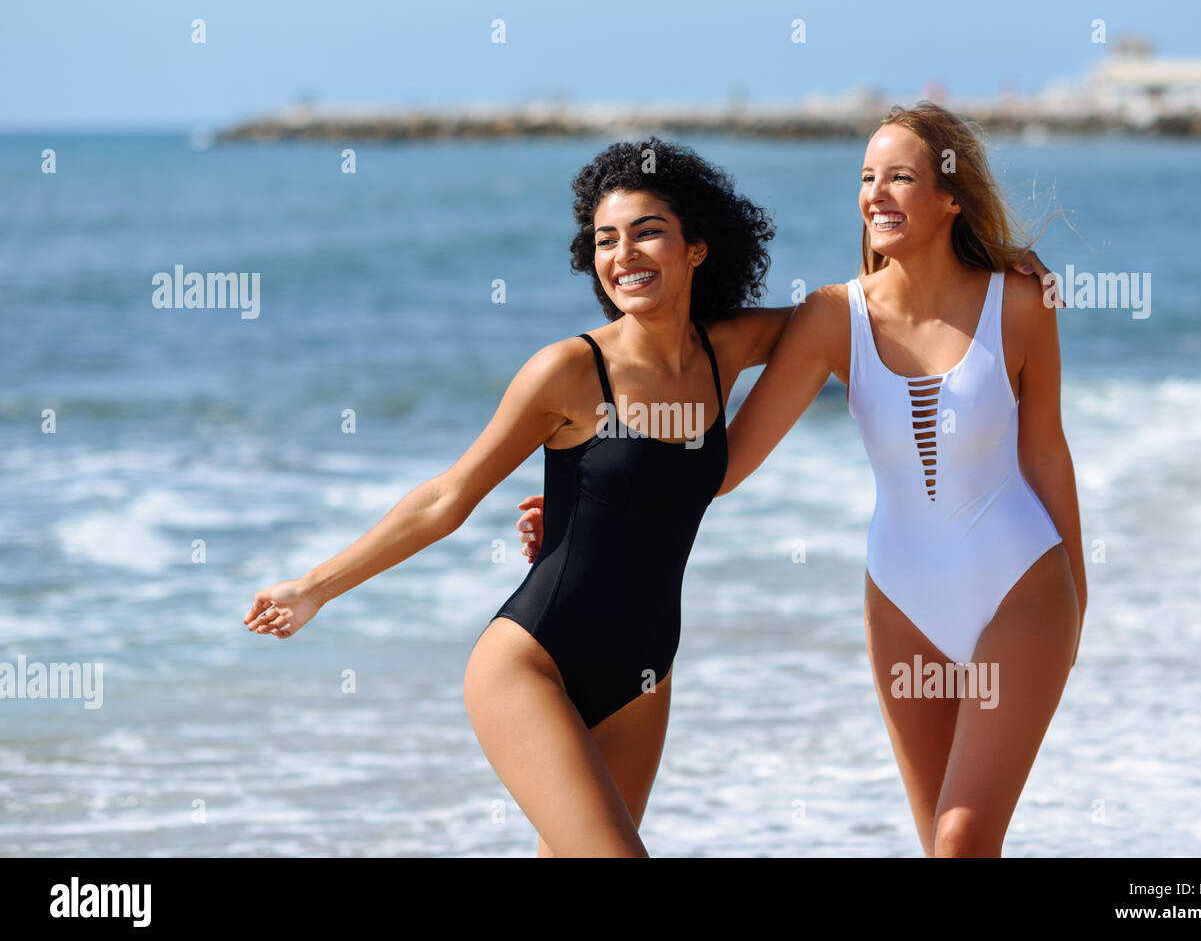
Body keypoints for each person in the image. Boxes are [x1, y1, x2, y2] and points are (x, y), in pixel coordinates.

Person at [516, 103, 1083, 856]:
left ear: (951, 196)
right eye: (866, 177)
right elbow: (720, 465)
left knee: (964, 839)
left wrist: (1078, 592)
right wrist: (586, 506)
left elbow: (1046, 451)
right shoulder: (831, 317)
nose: (875, 193)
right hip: (902, 598)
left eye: (900, 177)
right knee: (936, 840)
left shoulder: (1018, 303)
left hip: (1023, 582)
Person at [242, 136, 793, 856]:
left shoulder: (728, 349)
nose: (623, 253)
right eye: (605, 239)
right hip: (532, 664)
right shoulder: (570, 369)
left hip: (644, 676)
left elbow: (858, 315)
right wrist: (314, 586)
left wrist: (975, 264)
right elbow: (448, 495)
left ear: (696, 248)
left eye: (648, 231)